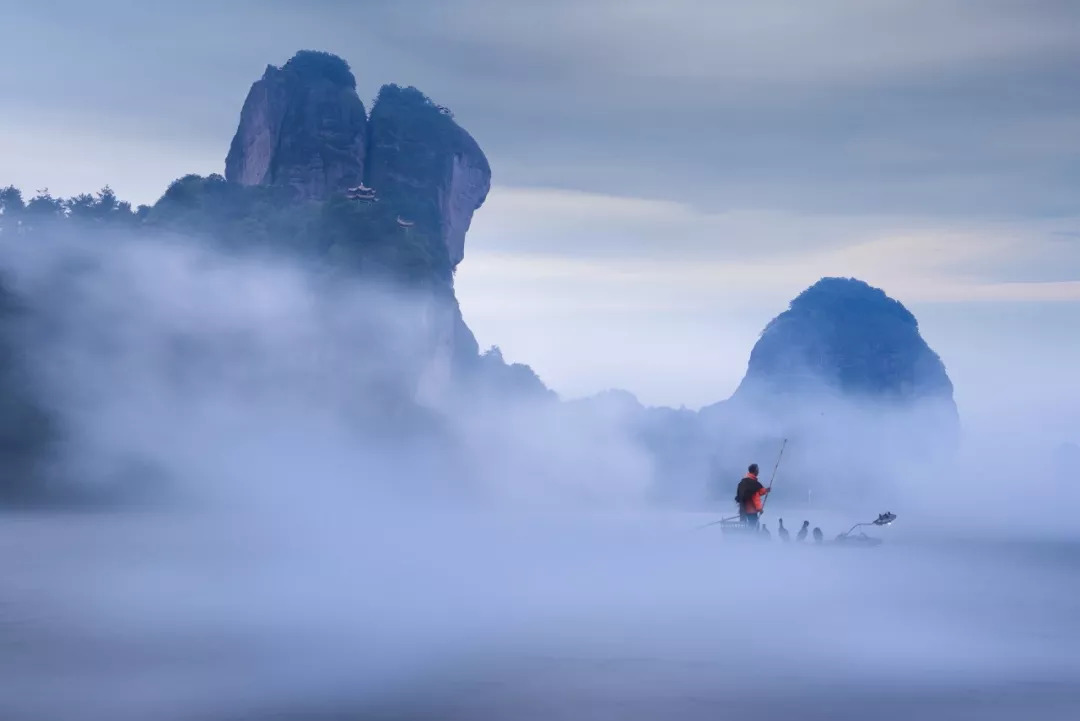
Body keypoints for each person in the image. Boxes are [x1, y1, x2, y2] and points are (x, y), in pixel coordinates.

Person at [734, 463, 770, 529]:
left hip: (743, 510)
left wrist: (766, 490)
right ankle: (753, 538)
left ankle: (745, 537)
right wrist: (760, 509)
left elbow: (758, 491)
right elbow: (755, 496)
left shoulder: (744, 482)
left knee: (746, 527)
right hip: (752, 510)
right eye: (758, 470)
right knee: (754, 526)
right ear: (755, 471)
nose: (758, 471)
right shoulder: (753, 483)